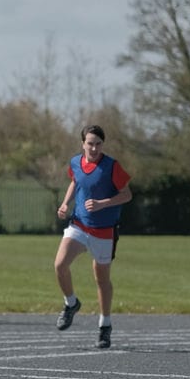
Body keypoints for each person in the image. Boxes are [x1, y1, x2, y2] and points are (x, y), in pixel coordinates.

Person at [53, 124, 132, 349]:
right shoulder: (75, 163)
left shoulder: (111, 166)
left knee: (101, 280)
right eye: (90, 144)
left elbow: (127, 194)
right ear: (83, 144)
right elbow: (75, 182)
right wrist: (65, 203)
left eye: (98, 144)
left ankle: (105, 326)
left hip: (104, 231)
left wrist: (102, 203)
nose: (94, 148)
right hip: (79, 225)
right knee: (60, 264)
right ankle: (71, 303)